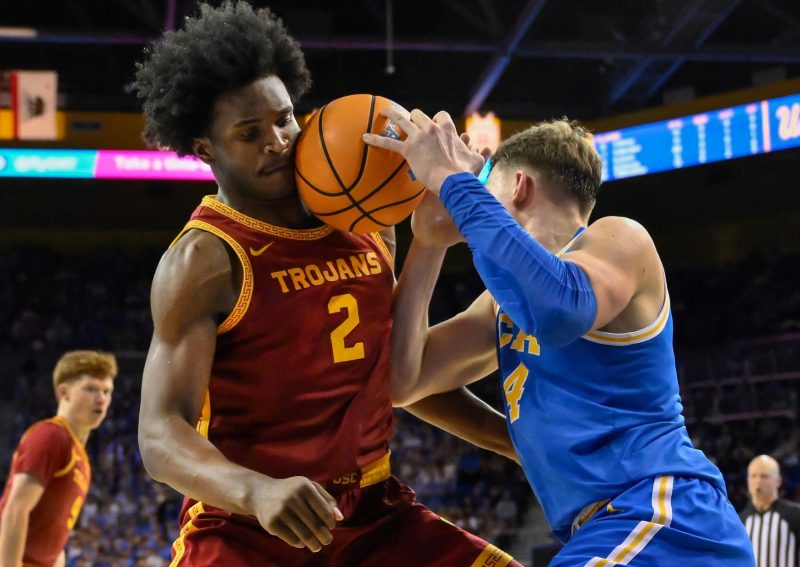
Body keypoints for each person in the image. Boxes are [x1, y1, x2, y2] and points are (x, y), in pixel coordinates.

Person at [133, 2, 521, 565]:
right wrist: (256, 490)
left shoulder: (367, 220)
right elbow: (160, 434)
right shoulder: (206, 258)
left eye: (284, 118)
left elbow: (396, 373)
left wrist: (516, 442)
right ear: (204, 149)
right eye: (250, 133)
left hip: (373, 511)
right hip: (246, 525)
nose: (278, 141)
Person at [365, 110, 756, 565]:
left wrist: (454, 182)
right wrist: (428, 244)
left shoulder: (618, 239)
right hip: (609, 531)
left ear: (519, 187)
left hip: (664, 516)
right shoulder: (503, 303)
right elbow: (403, 380)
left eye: (485, 190)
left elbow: (557, 310)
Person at [0, 350, 116, 567]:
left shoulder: (81, 458)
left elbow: (55, 541)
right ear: (64, 392)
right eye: (91, 389)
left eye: (107, 391)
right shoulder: (52, 435)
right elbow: (16, 509)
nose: (101, 398)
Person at [741, 455, 800, 566]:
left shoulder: (795, 514)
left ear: (778, 481)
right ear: (747, 480)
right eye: (753, 476)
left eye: (764, 476)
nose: (758, 481)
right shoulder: (741, 520)